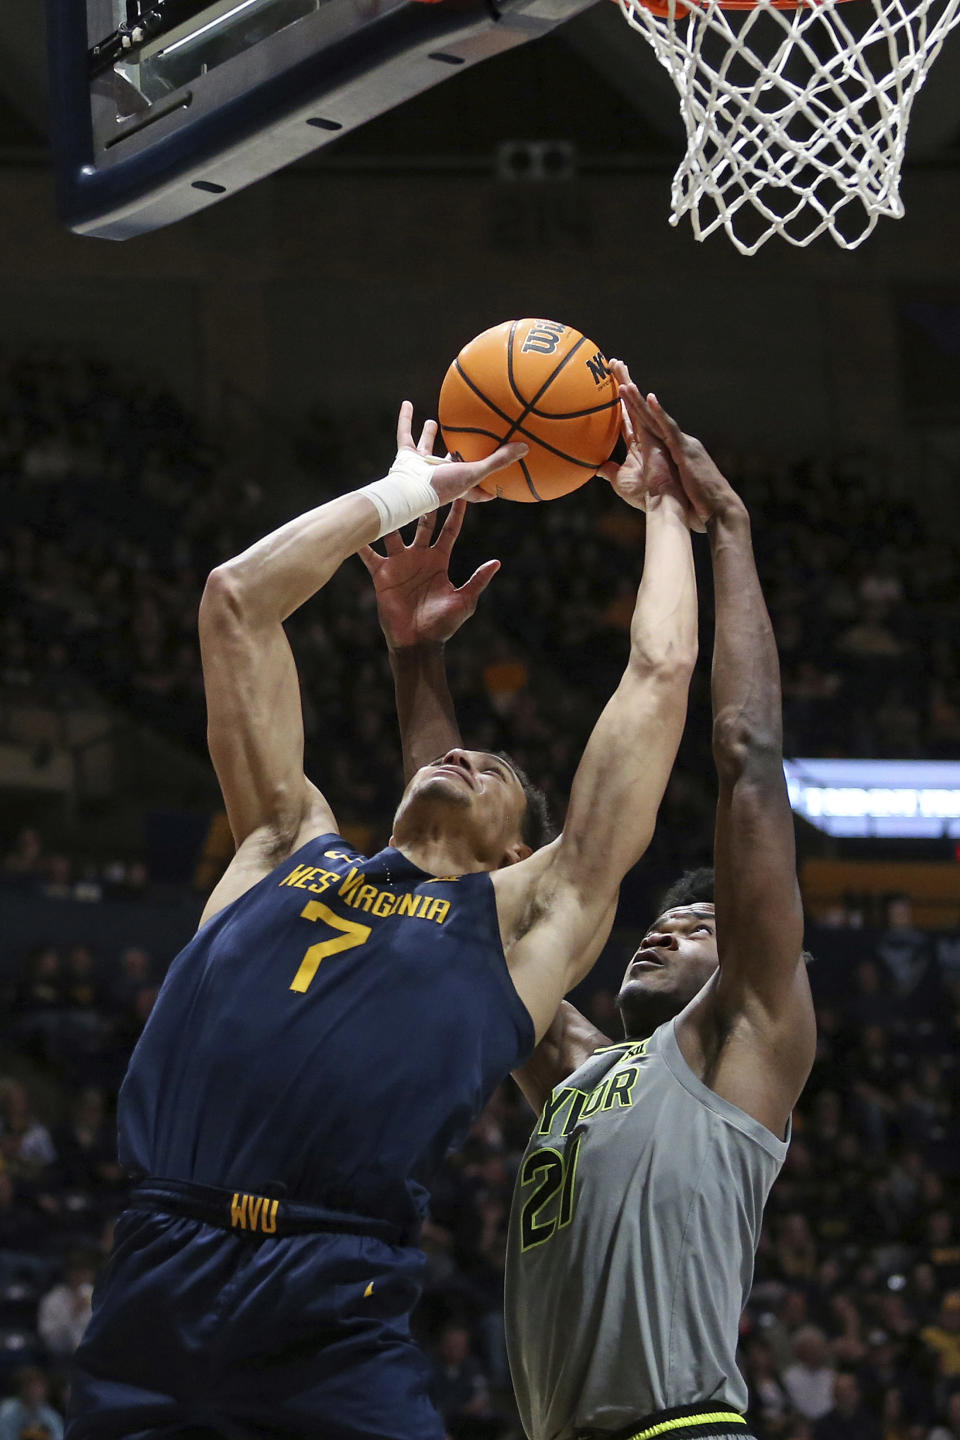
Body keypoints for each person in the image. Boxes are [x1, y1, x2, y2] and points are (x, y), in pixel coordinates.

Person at [67, 380, 698, 1440]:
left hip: (331, 1298)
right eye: (457, 746)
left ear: (516, 847)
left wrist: (664, 512)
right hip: (156, 1275)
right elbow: (233, 602)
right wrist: (397, 490)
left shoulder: (524, 919)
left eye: (492, 767)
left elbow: (660, 668)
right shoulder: (282, 843)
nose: (461, 752)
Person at [373, 389, 816, 1440]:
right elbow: (447, 882)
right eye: (668, 921)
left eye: (702, 927)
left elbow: (747, 759)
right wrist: (413, 654)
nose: (667, 928)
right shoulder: (577, 1070)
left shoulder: (746, 1037)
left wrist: (728, 533)